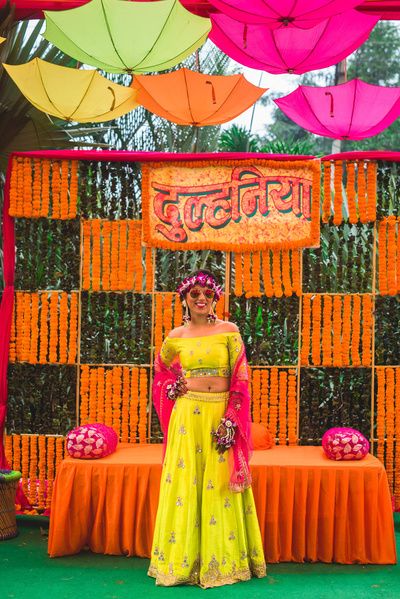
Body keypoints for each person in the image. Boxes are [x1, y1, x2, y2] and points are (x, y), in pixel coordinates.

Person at [148, 270, 266, 588]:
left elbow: (241, 378)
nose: (201, 298)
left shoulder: (229, 331)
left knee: (219, 485)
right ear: (184, 299)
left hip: (219, 414)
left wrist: (231, 418)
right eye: (194, 293)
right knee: (186, 483)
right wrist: (172, 388)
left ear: (215, 298)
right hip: (188, 417)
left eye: (207, 294)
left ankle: (224, 561)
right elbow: (161, 374)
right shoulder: (175, 336)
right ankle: (183, 563)